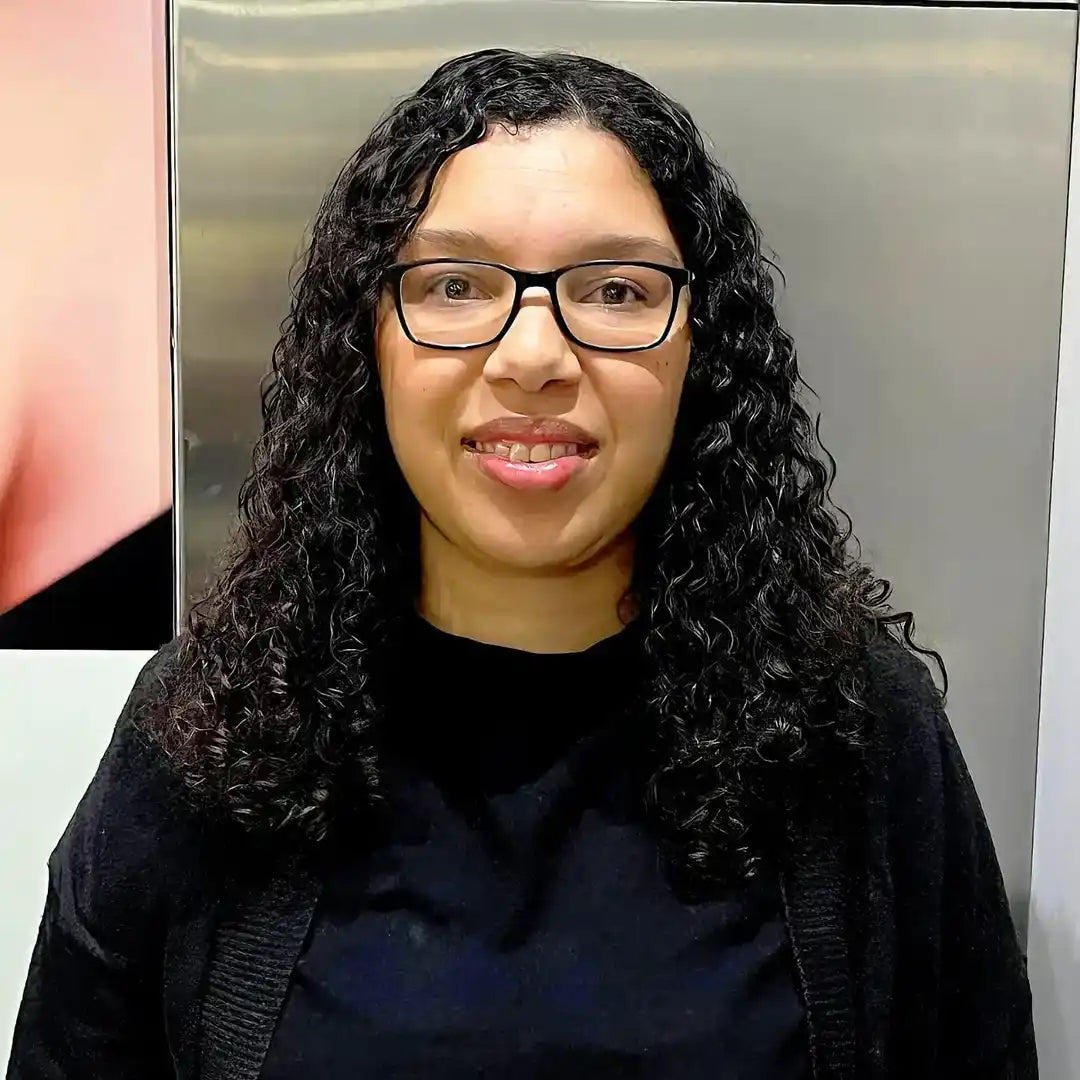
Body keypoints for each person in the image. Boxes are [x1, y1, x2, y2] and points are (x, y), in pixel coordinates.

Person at [6, 48, 1035, 1080]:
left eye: (616, 290)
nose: (533, 355)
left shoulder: (852, 726)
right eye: (454, 283)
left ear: (698, 347)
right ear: (369, 342)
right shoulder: (211, 731)